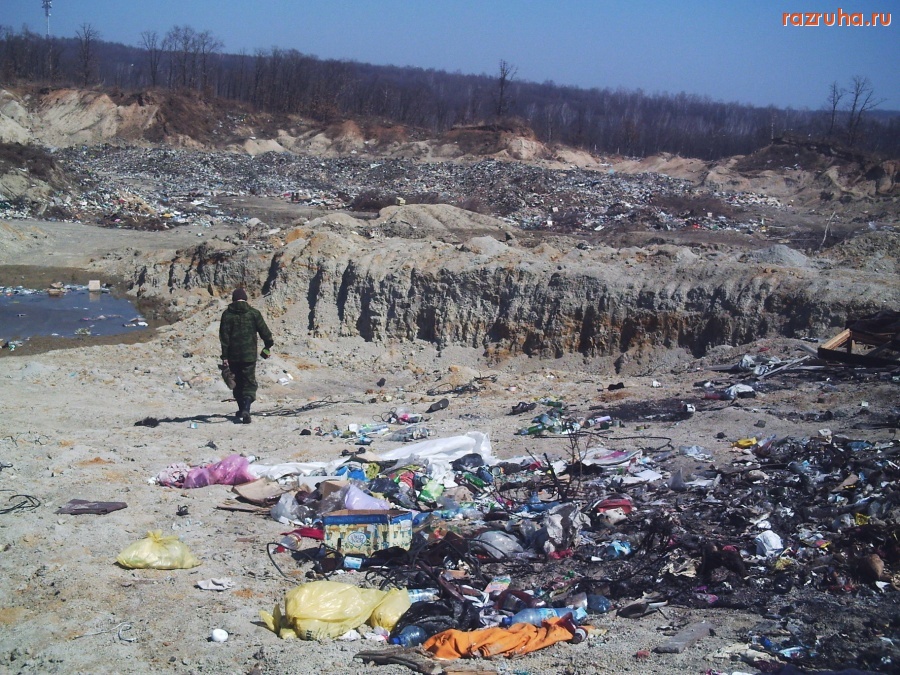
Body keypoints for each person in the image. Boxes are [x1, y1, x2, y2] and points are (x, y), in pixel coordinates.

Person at [219, 288, 274, 424]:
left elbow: (224, 337)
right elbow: (265, 332)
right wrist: (268, 345)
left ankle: (241, 408)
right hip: (249, 357)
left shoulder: (227, 315)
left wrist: (224, 356)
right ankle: (247, 409)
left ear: (233, 300)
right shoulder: (254, 314)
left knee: (236, 382)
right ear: (245, 299)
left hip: (233, 356)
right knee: (249, 382)